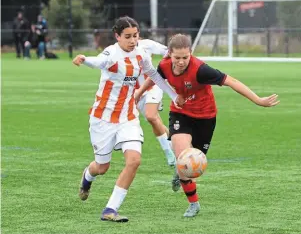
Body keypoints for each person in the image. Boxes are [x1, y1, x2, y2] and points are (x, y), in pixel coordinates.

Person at [135, 34, 280, 217]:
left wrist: (258, 100)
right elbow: (155, 77)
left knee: (193, 167)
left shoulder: (201, 70)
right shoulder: (164, 65)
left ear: (191, 54)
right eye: (177, 57)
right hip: (181, 114)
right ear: (169, 54)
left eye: (185, 57)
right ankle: (194, 204)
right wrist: (139, 92)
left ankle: (180, 173)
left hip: (205, 117)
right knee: (184, 159)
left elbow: (232, 81)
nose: (180, 62)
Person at [72, 16, 182, 222]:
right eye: (128, 37)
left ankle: (110, 209)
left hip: (128, 117)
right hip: (103, 118)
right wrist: (84, 59)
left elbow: (155, 76)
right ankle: (87, 177)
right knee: (102, 167)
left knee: (134, 160)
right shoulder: (111, 53)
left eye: (136, 36)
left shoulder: (141, 54)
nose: (133, 40)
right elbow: (99, 61)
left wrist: (174, 95)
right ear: (117, 36)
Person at [136, 39, 176, 167]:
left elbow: (167, 51)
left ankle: (168, 152)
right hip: (136, 93)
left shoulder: (146, 44)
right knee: (156, 121)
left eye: (134, 35)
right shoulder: (117, 52)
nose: (132, 39)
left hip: (153, 86)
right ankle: (179, 146)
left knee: (151, 116)